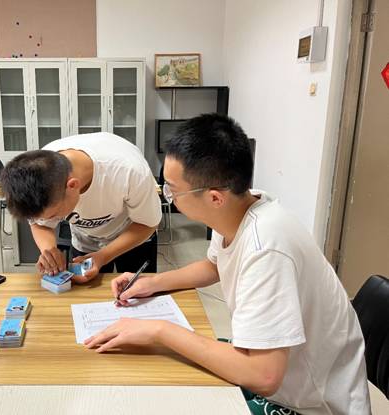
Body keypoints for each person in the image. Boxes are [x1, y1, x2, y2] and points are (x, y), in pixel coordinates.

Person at [85, 114, 371, 414]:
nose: (168, 198)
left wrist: (159, 330)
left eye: (171, 190)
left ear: (214, 198)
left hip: (311, 404)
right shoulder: (242, 208)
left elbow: (264, 376)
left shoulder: (265, 247)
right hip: (284, 378)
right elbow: (214, 266)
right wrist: (153, 283)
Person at [0, 132, 162, 283]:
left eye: (53, 215)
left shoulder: (129, 172)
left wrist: (103, 256)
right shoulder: (39, 174)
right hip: (85, 239)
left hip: (133, 237)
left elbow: (147, 223)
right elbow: (39, 224)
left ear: (72, 186)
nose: (48, 221)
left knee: (135, 292)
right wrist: (49, 251)